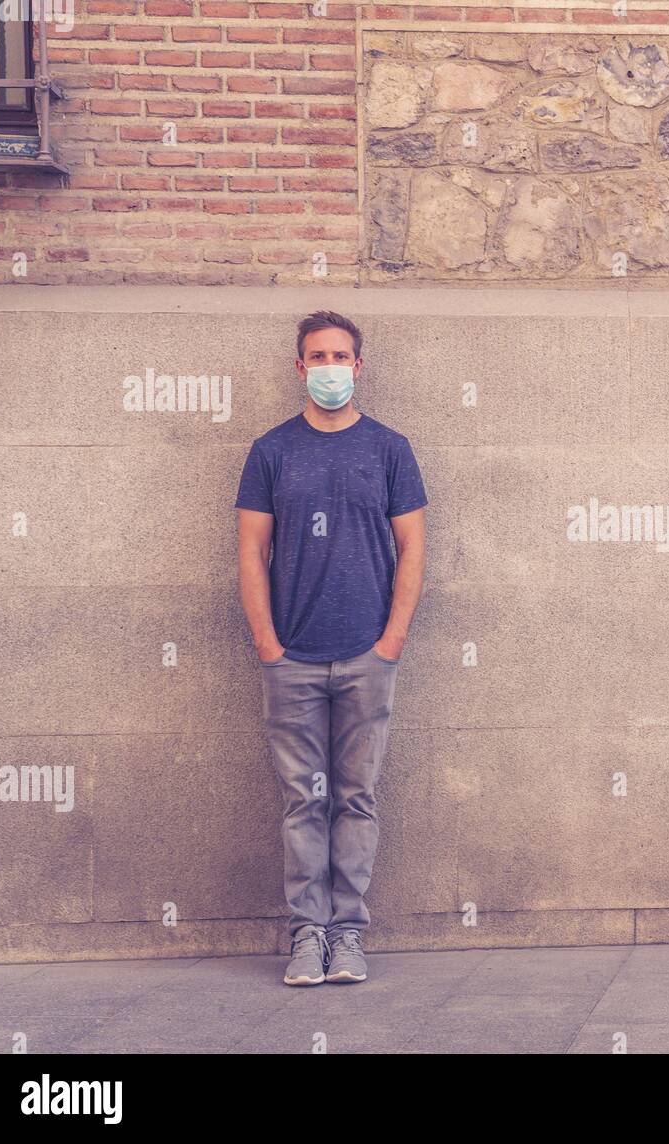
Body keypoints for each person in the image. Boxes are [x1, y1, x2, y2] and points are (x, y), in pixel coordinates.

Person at [234, 310, 427, 986]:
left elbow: (414, 550)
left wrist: (392, 639)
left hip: (366, 658)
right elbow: (251, 553)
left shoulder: (390, 450)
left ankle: (348, 936)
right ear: (299, 368)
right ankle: (305, 938)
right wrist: (267, 642)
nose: (330, 368)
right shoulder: (271, 452)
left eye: (341, 356)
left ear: (359, 367)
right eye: (317, 357)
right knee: (301, 803)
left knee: (356, 798)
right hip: (292, 660)